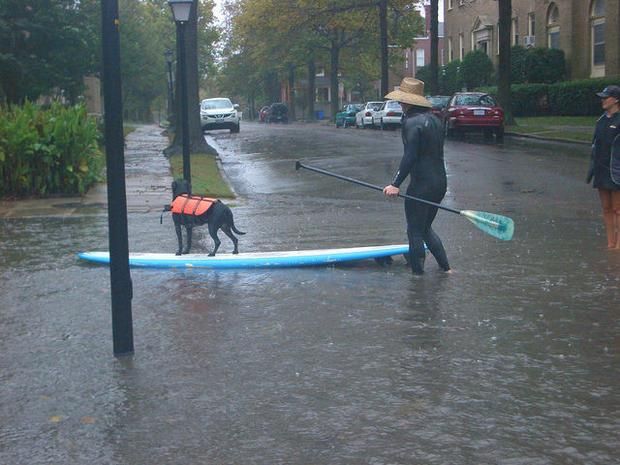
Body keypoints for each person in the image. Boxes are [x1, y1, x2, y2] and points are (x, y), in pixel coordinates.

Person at [382, 78, 450, 274]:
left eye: (402, 100)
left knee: (414, 230)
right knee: (425, 227)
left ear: (410, 102)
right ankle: (446, 269)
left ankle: (418, 278)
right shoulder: (436, 121)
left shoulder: (411, 122)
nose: (400, 104)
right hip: (440, 183)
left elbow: (410, 156)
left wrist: (395, 183)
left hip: (422, 185)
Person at [587, 85, 620, 249]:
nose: (603, 100)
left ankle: (619, 244)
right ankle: (610, 242)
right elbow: (595, 145)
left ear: (616, 100)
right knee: (606, 209)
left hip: (616, 171)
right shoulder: (600, 120)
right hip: (601, 171)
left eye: (606, 97)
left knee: (618, 210)